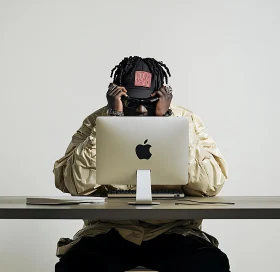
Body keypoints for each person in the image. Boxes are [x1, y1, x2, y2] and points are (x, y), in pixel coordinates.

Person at [53, 56, 230, 272]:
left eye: (149, 102)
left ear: (163, 95)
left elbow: (210, 185)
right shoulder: (97, 120)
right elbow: (74, 183)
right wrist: (112, 120)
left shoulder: (186, 120)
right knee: (75, 267)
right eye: (133, 102)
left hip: (174, 231)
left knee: (211, 265)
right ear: (116, 94)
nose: (141, 110)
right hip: (109, 230)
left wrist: (169, 123)